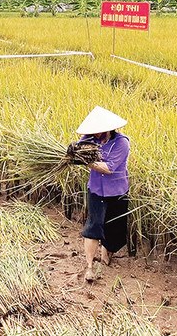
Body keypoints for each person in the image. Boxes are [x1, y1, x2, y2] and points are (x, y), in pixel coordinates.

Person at [68, 106, 130, 282]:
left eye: (98, 131)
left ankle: (105, 257)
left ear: (108, 129)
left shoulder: (121, 143)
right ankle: (89, 266)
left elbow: (108, 168)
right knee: (93, 226)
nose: (94, 135)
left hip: (117, 191)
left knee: (114, 229)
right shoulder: (88, 140)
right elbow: (77, 151)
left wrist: (88, 161)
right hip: (96, 189)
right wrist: (73, 154)